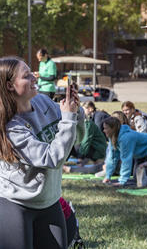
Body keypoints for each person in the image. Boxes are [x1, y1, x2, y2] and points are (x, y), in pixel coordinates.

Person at [0, 57, 85, 249]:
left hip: (49, 201)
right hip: (15, 204)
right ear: (10, 86)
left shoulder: (43, 102)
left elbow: (74, 139)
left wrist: (75, 111)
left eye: (32, 72)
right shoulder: (11, 128)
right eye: (26, 75)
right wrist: (68, 117)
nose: (34, 77)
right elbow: (52, 158)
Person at [102, 117, 147, 187]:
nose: (104, 130)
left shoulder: (126, 138)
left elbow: (126, 159)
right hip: (141, 153)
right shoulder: (112, 137)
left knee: (144, 176)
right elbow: (112, 158)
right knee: (136, 177)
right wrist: (108, 176)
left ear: (113, 129)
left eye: (106, 128)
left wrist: (122, 181)